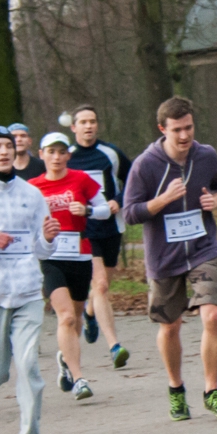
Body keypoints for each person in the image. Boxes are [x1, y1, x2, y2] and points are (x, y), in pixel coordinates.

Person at [123, 96, 217, 422]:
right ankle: (176, 389)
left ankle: (212, 391)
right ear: (163, 129)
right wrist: (162, 201)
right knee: (170, 326)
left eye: (188, 128)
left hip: (203, 249)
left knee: (212, 316)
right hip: (164, 257)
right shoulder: (145, 165)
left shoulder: (206, 155)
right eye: (177, 130)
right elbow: (130, 213)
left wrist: (216, 199)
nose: (184, 136)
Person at [0, 127, 61, 434]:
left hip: (26, 291)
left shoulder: (31, 193)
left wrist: (49, 237)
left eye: (8, 146)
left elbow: (41, 250)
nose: (3, 151)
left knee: (28, 366)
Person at [30, 131, 111, 401]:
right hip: (49, 257)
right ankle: (79, 379)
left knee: (75, 320)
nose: (56, 157)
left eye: (61, 152)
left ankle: (65, 359)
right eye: (50, 152)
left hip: (79, 255)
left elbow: (105, 209)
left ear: (68, 155)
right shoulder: (32, 187)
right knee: (64, 316)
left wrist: (86, 211)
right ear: (41, 155)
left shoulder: (81, 179)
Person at [68, 104, 131, 368]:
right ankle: (114, 346)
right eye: (83, 122)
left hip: (110, 227)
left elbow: (133, 179)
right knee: (101, 284)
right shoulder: (67, 157)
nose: (88, 126)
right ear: (74, 127)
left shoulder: (110, 153)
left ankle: (90, 312)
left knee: (102, 287)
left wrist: (118, 200)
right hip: (84, 230)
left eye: (92, 121)